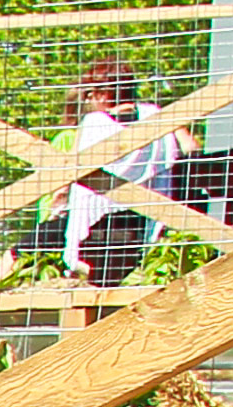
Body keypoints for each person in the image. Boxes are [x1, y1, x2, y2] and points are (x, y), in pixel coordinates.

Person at [63, 58, 184, 291]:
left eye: (90, 94)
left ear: (102, 94)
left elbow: (72, 169)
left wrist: (59, 202)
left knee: (44, 237)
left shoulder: (94, 122)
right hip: (146, 219)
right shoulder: (154, 114)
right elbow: (189, 147)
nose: (87, 101)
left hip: (98, 218)